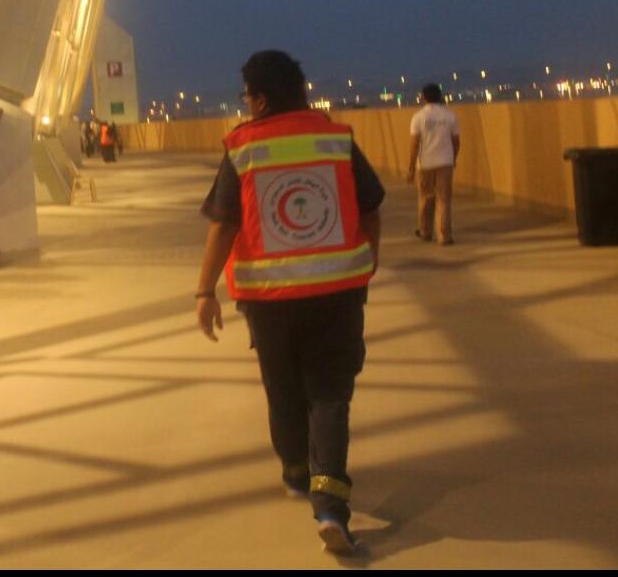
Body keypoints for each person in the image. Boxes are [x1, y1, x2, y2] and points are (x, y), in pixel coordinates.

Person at [195, 50, 384, 556]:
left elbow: (224, 224)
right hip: (337, 292)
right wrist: (369, 260)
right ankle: (330, 508)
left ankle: (298, 473)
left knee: (283, 391)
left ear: (257, 99)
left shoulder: (242, 147)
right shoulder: (336, 139)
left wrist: (203, 291)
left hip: (269, 300)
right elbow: (371, 205)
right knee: (329, 396)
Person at [407, 83, 460, 245]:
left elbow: (415, 143)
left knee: (425, 198)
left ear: (423, 97)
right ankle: (444, 236)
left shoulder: (418, 117)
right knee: (444, 199)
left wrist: (410, 167)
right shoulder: (450, 116)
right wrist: (453, 158)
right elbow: (456, 141)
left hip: (425, 163)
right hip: (445, 161)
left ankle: (425, 231)